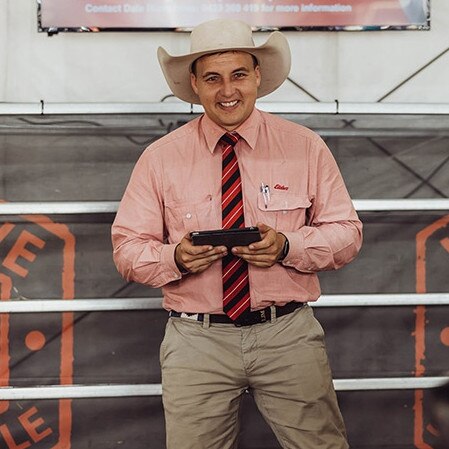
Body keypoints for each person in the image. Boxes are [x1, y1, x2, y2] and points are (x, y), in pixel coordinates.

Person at [112, 18, 363, 449]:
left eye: (238, 75)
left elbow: (347, 233)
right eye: (212, 78)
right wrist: (175, 258)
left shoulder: (305, 146)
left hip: (287, 335)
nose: (227, 90)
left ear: (258, 76)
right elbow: (127, 249)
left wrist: (288, 246)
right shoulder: (159, 159)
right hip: (196, 341)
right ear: (194, 83)